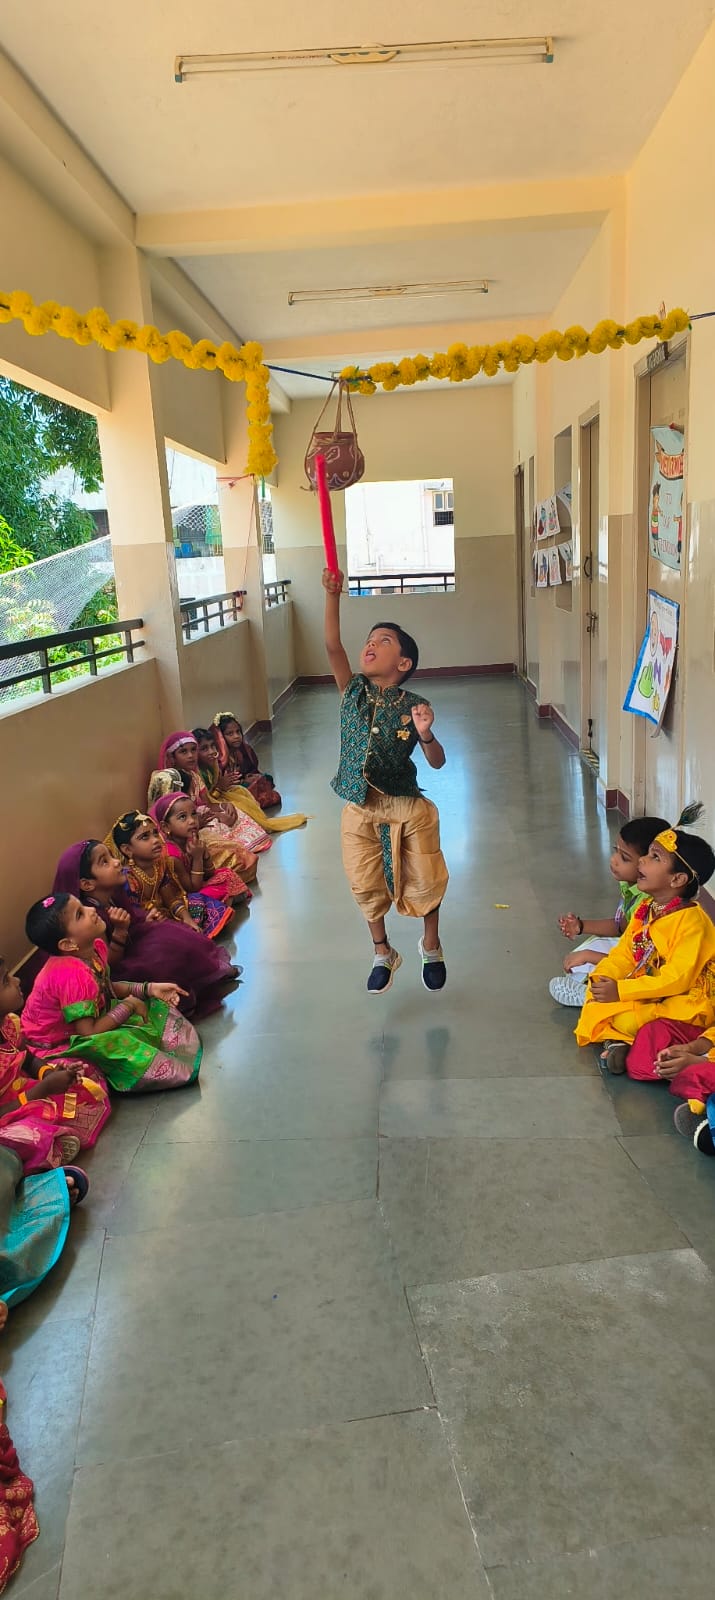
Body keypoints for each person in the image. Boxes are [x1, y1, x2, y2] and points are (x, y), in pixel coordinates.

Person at [323, 566, 449, 994]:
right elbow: (331, 644)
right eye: (370, 640)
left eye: (384, 641)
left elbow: (436, 762)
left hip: (407, 803)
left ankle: (430, 946)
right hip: (359, 802)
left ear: (404, 662)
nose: (371, 644)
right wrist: (332, 595)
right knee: (364, 882)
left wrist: (426, 733)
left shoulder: (416, 705)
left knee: (427, 875)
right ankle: (383, 952)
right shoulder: (352, 691)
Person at [575, 813, 715, 1073]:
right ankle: (621, 1043)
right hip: (653, 992)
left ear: (677, 880)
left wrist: (622, 991)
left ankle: (622, 1041)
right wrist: (605, 978)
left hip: (686, 1003)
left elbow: (677, 980)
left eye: (654, 857)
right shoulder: (650, 908)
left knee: (626, 1017)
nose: (642, 860)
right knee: (595, 995)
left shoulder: (692, 922)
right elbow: (625, 953)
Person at [21, 893, 202, 1094]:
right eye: (80, 914)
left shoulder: (93, 948)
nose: (91, 910)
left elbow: (105, 987)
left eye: (83, 906)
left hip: (89, 1020)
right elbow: (88, 1033)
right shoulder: (70, 974)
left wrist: (149, 988)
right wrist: (129, 1005)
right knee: (116, 1043)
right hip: (55, 1044)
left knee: (152, 1003)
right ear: (68, 944)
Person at [53, 840, 239, 1014]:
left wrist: (144, 918)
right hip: (117, 969)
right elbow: (107, 966)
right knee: (164, 957)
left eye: (112, 856)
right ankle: (184, 995)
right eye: (104, 862)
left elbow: (133, 915)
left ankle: (211, 973)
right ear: (87, 884)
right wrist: (120, 931)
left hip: (129, 938)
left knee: (175, 934)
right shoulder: (91, 916)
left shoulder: (114, 893)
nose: (117, 862)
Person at [0, 958, 110, 1175]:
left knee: (85, 1075)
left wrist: (49, 1072)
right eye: (5, 981)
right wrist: (44, 1089)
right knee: (25, 1136)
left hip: (24, 1093)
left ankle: (55, 1142)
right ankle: (45, 1150)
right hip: (8, 1113)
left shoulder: (10, 1023)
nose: (17, 980)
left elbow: (29, 1059)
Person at [549, 815, 668, 1006]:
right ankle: (589, 984)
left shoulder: (649, 902)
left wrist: (590, 956)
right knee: (587, 949)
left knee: (588, 955)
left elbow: (641, 960)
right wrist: (581, 926)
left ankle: (592, 993)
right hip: (630, 950)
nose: (614, 860)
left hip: (644, 963)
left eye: (624, 858)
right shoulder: (631, 886)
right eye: (615, 851)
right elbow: (620, 926)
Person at [152, 735, 273, 855]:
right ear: (172, 757)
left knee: (234, 810)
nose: (190, 755)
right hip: (186, 827)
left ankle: (247, 844)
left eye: (193, 750)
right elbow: (172, 819)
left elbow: (207, 803)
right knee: (215, 826)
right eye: (183, 751)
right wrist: (213, 817)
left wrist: (223, 806)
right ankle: (234, 850)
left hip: (201, 816)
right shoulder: (171, 781)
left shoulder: (195, 777)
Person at [150, 792, 253, 917]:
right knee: (202, 898)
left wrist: (205, 855)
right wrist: (198, 858)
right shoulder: (171, 855)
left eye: (194, 814)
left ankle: (223, 903)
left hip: (197, 886)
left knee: (226, 873)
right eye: (183, 817)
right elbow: (193, 888)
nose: (192, 821)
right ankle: (219, 907)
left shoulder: (189, 840)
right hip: (183, 900)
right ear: (165, 827)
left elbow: (210, 873)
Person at [210, 715, 282, 810]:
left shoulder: (242, 750)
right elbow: (214, 791)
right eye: (230, 734)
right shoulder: (217, 760)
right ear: (220, 738)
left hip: (242, 785)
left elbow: (250, 770)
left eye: (238, 732)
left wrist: (250, 777)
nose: (236, 736)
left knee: (267, 778)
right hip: (229, 792)